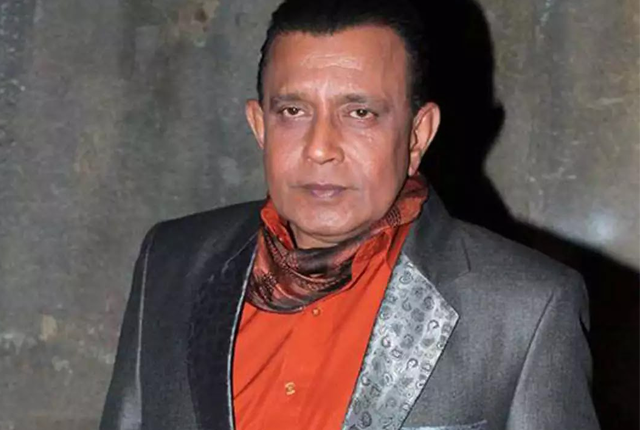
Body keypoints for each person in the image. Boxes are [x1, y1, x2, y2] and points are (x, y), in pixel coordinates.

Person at [100, 0, 600, 429]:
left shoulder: (525, 309)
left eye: (360, 113)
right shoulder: (171, 261)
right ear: (259, 126)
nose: (320, 148)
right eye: (293, 112)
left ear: (418, 135)